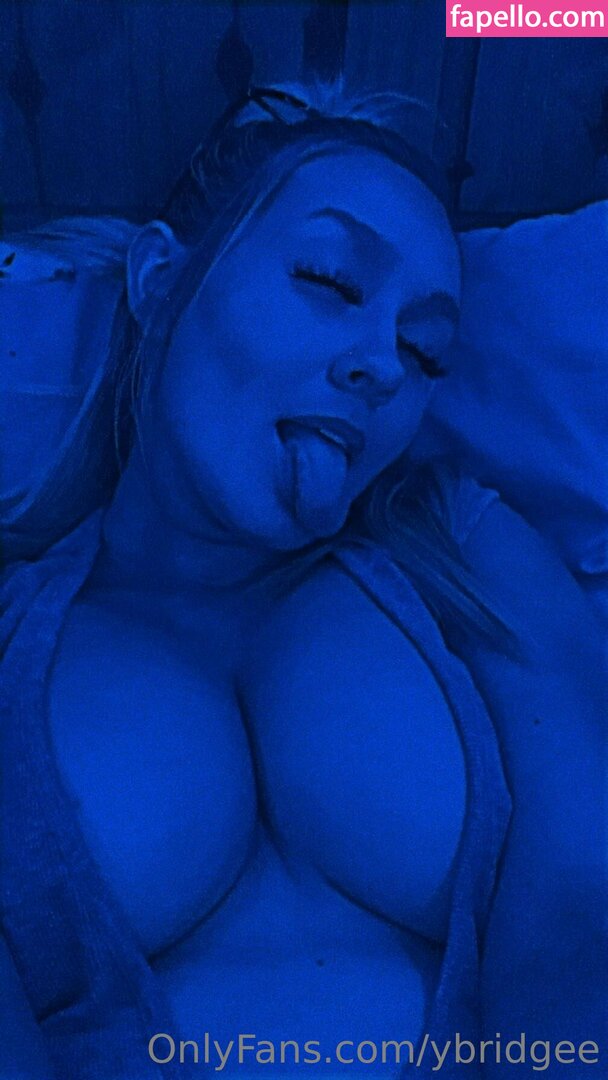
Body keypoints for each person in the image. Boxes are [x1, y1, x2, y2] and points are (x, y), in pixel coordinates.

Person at [0, 83, 605, 1080]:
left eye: (424, 350)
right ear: (160, 280)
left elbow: (587, 899)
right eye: (329, 279)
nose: (383, 365)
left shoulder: (465, 548)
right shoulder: (14, 632)